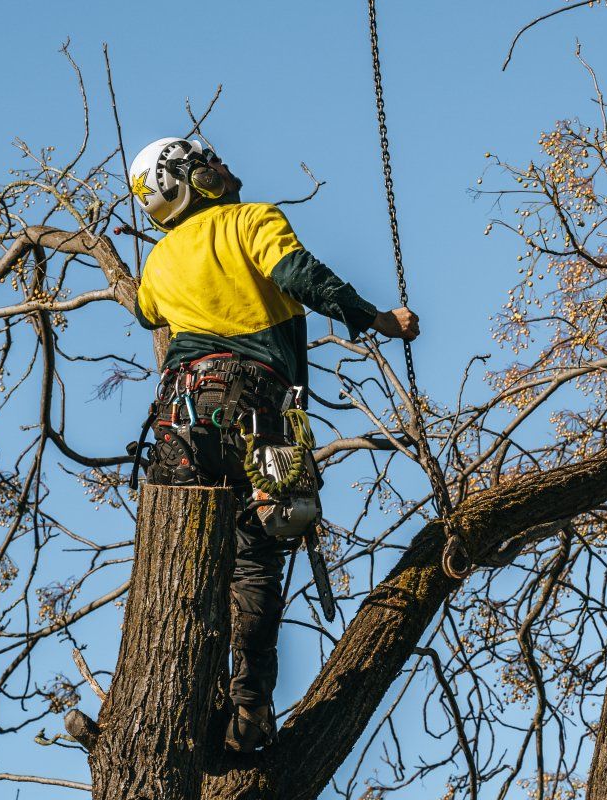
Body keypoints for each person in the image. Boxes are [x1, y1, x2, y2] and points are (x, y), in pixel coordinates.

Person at [65, 136, 418, 758]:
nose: (227, 166)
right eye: (213, 162)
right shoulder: (253, 219)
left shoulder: (157, 263)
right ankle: (250, 710)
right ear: (193, 177)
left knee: (173, 563)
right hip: (259, 412)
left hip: (180, 421)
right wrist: (377, 320)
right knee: (256, 557)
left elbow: (150, 314)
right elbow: (298, 275)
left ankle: (140, 712)